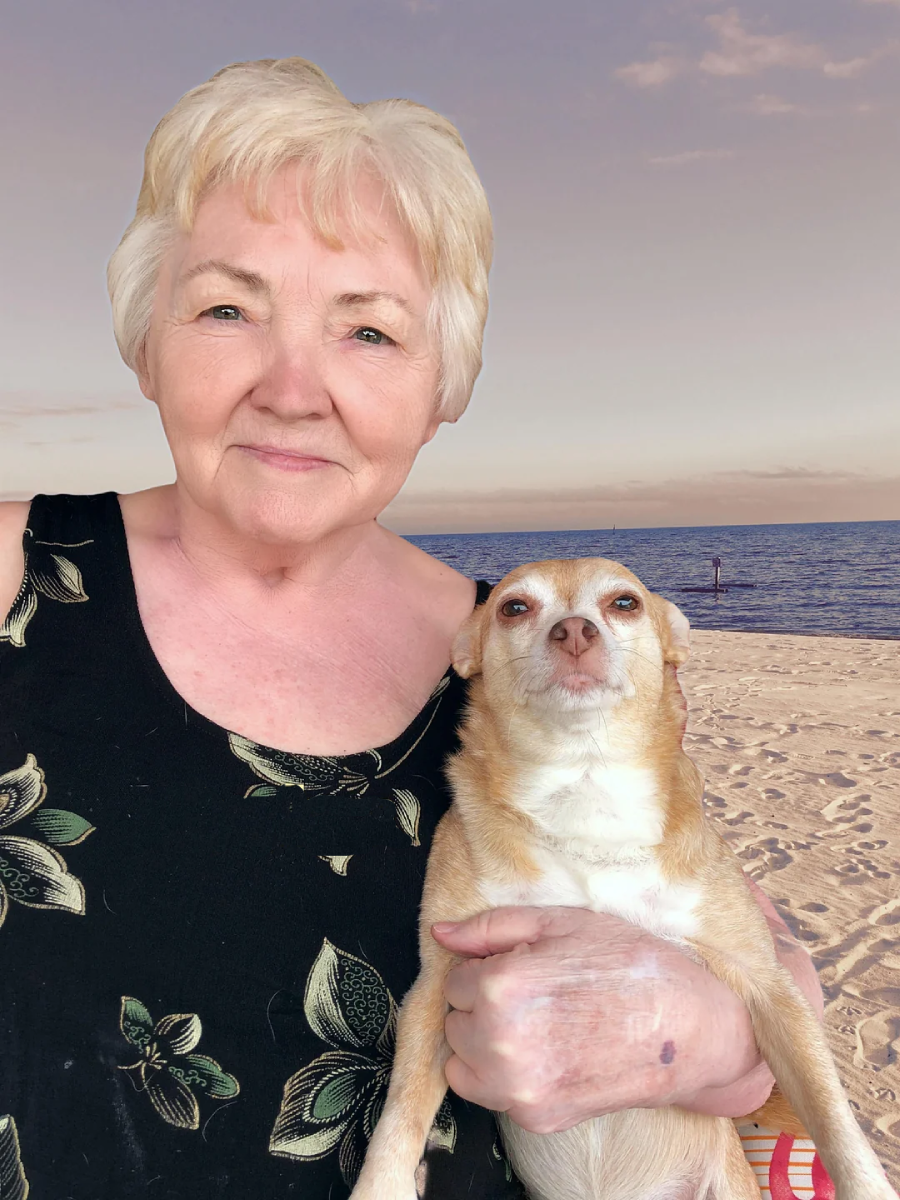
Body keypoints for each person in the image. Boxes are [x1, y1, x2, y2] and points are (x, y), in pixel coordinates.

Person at [0, 57, 823, 1199]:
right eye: (229, 308)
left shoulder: (517, 653)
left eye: (370, 333)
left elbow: (751, 964)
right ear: (147, 336)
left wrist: (707, 1041)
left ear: (446, 379)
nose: (293, 388)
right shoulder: (14, 580)